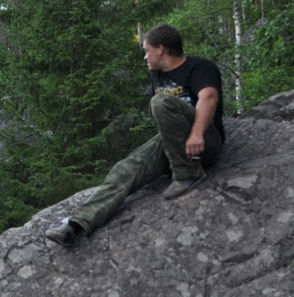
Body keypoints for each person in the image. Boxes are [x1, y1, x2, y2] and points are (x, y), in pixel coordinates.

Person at [44, 24, 226, 246]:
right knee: (124, 170)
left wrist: (196, 134)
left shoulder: (200, 67)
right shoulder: (157, 76)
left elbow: (208, 98)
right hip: (173, 143)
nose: (144, 57)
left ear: (160, 49)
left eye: (146, 50)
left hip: (205, 142)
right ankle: (75, 225)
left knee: (160, 101)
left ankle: (188, 174)